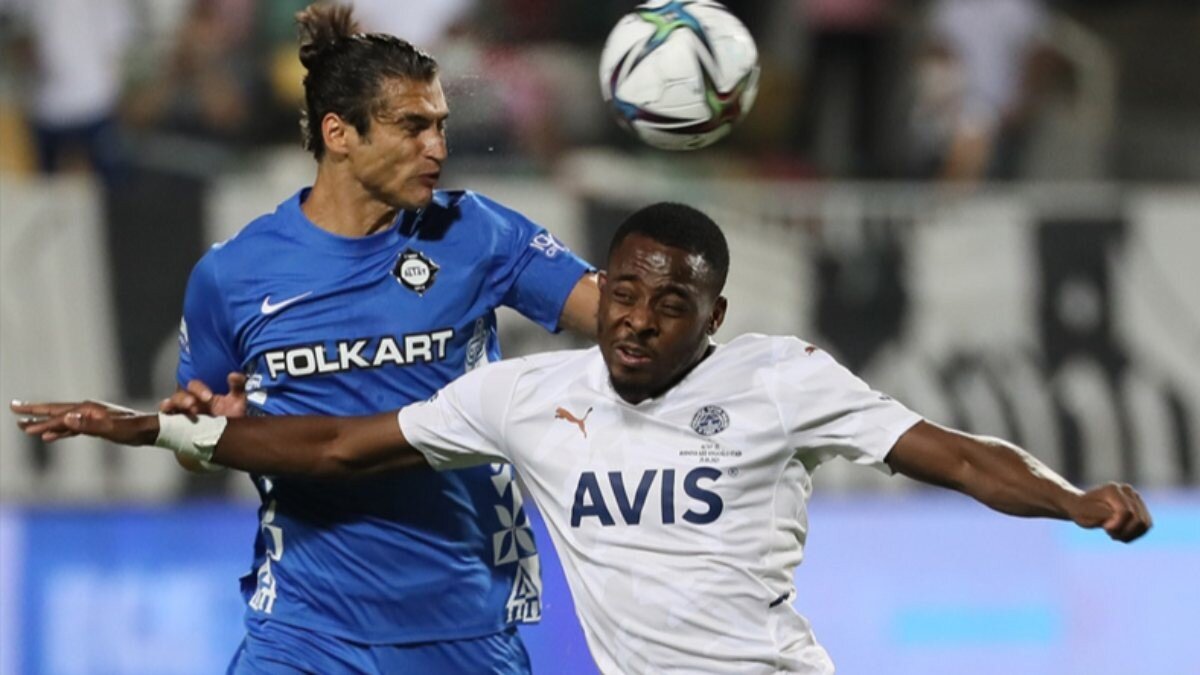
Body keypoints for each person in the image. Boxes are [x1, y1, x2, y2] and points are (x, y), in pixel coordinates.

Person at [16, 202, 1153, 674]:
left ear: (714, 313)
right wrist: (157, 430)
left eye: (671, 304)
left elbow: (957, 453)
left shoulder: (782, 380)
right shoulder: (529, 398)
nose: (638, 320)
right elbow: (335, 450)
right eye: (625, 292)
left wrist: (1074, 500)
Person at [23, 4, 598, 673]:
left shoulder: (474, 233)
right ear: (339, 132)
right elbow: (199, 449)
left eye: (440, 125)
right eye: (413, 127)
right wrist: (213, 426)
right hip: (302, 631)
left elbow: (618, 320)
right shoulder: (232, 275)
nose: (437, 148)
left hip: (459, 626)